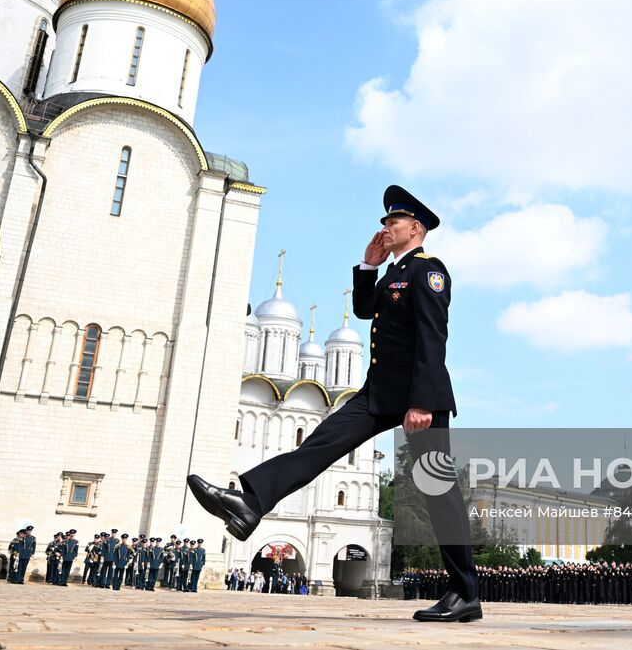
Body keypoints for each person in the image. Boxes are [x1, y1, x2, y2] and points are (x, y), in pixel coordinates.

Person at [187, 186, 481, 623]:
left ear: (415, 228)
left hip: (420, 398)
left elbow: (433, 338)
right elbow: (364, 310)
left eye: (393, 222)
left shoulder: (428, 271)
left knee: (438, 492)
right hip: (378, 393)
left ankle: (464, 593)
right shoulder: (393, 272)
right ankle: (250, 499)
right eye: (384, 222)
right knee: (321, 444)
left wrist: (421, 402)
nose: (386, 227)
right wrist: (368, 265)